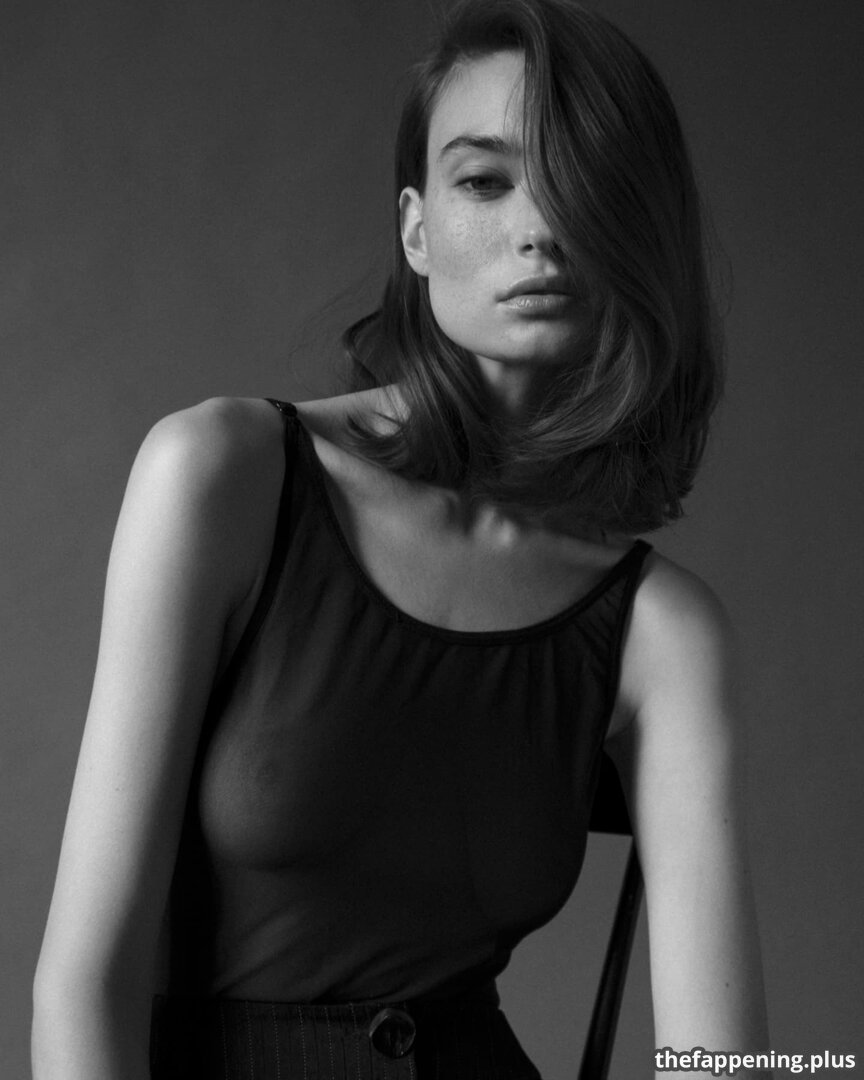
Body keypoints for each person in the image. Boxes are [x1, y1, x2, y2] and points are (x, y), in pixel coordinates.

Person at [32, 1, 771, 1077]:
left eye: (583, 186)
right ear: (416, 231)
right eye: (487, 181)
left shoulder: (662, 631)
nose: (540, 228)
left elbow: (726, 1065)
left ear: (639, 230)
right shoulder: (227, 475)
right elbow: (83, 984)